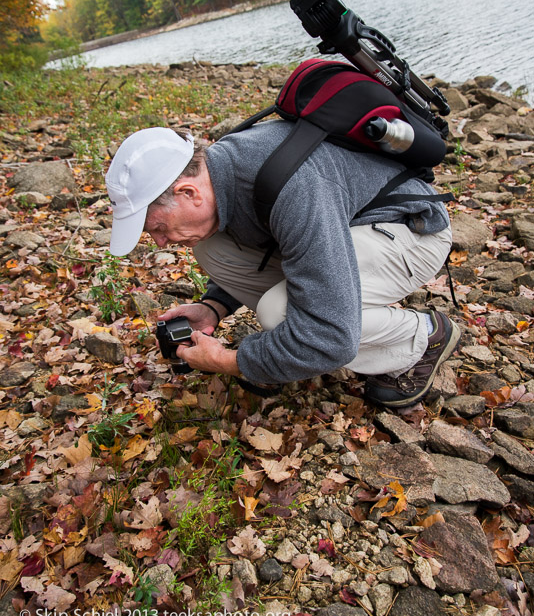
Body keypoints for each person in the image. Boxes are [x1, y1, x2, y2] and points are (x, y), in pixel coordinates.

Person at [105, 124, 460, 408]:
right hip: (343, 229)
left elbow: (329, 339)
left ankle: (424, 335)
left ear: (188, 193)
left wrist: (231, 361)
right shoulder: (221, 171)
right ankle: (321, 314)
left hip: (411, 231)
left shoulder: (292, 186)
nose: (161, 243)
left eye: (159, 228)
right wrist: (214, 306)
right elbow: (261, 235)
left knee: (282, 312)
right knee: (209, 247)